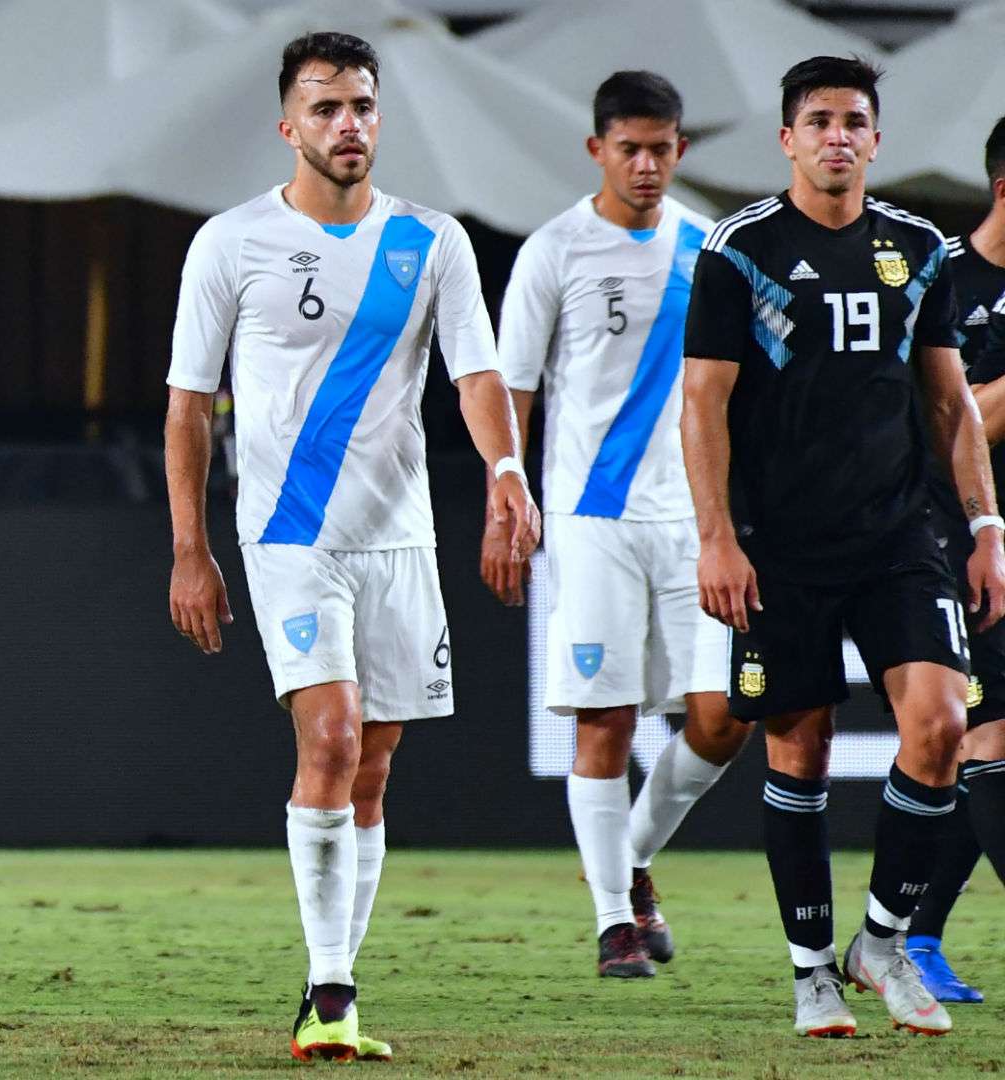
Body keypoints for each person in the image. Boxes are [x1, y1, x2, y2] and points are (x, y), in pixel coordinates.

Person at [164, 31, 536, 1063]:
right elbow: (189, 409)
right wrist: (191, 548)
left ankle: (336, 985)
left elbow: (475, 376)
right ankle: (330, 994)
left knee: (372, 769)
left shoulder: (433, 242)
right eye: (326, 109)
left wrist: (507, 474)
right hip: (287, 537)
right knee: (329, 740)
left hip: (398, 538)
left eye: (364, 106)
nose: (349, 125)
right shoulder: (231, 244)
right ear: (289, 126)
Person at [681, 55, 1005, 1039]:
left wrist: (985, 525)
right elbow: (702, 402)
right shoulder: (740, 250)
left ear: (876, 138)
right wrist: (716, 539)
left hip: (900, 532)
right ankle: (811, 968)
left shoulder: (917, 248)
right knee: (802, 750)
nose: (836, 135)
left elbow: (949, 403)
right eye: (817, 119)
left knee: (943, 726)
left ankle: (883, 939)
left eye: (854, 120)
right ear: (787, 139)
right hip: (781, 543)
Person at [497, 71, 748, 980]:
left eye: (661, 148)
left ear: (681, 151)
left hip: (693, 520)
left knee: (723, 720)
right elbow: (510, 385)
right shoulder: (554, 251)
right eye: (628, 148)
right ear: (597, 150)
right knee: (602, 721)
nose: (645, 165)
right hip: (592, 518)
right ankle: (614, 922)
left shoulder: (711, 248)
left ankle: (633, 859)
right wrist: (508, 492)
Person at [907, 115, 1005, 1003]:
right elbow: (958, 426)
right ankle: (909, 938)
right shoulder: (947, 280)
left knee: (987, 755)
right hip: (966, 547)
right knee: (987, 737)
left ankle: (917, 935)